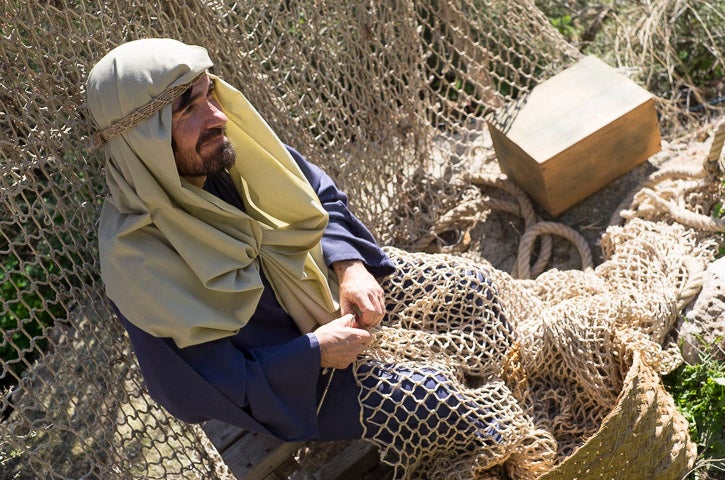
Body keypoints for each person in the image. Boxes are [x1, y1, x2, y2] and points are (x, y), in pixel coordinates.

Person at [85, 38, 512, 446]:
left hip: (341, 296)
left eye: (209, 94)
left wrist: (350, 266)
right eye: (187, 110)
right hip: (299, 387)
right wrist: (314, 353)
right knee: (436, 399)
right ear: (143, 140)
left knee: (475, 289)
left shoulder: (223, 151)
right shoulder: (135, 258)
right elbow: (191, 389)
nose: (217, 117)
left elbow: (320, 198)